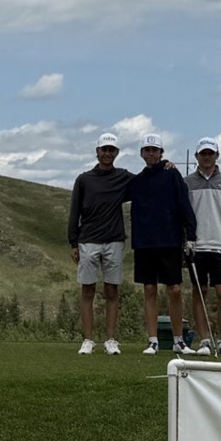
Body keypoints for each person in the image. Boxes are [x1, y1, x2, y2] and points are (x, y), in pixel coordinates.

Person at [128, 134, 197, 353]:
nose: (151, 153)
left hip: (170, 239)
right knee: (149, 289)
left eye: (155, 150)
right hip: (145, 242)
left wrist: (191, 234)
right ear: (142, 153)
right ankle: (153, 340)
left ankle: (178, 340)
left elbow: (184, 203)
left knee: (174, 289)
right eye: (147, 150)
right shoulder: (136, 181)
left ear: (161, 153)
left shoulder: (172, 174)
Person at [67, 133, 134, 353]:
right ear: (97, 151)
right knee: (88, 290)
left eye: (111, 150)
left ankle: (111, 340)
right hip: (88, 241)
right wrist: (73, 243)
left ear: (117, 153)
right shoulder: (84, 179)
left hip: (114, 240)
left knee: (112, 290)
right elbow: (74, 211)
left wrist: (164, 165)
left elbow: (147, 181)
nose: (107, 153)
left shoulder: (123, 177)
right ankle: (88, 340)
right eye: (104, 149)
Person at [182, 139, 221, 354]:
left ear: (217, 156)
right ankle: (205, 340)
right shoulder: (187, 182)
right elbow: (183, 213)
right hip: (196, 245)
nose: (207, 157)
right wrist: (185, 239)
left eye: (210, 153)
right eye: (203, 154)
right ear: (197, 156)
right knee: (200, 291)